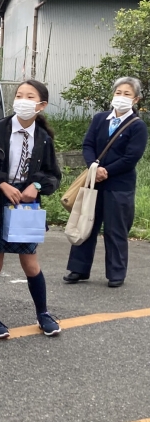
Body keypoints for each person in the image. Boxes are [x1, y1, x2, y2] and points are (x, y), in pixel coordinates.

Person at [0, 80, 62, 339]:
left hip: (26, 206)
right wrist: (1, 183)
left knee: (30, 263)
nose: (22, 100)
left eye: (29, 96)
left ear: (41, 105)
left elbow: (53, 175)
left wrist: (36, 185)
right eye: (19, 95)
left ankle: (43, 314)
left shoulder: (44, 138)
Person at [64, 77, 148, 287]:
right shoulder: (100, 119)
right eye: (118, 92)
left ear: (136, 99)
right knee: (86, 224)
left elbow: (131, 157)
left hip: (119, 186)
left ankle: (116, 273)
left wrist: (106, 171)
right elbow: (88, 144)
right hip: (93, 182)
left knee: (116, 229)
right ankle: (78, 269)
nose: (121, 97)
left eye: (127, 94)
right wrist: (94, 166)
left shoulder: (137, 126)